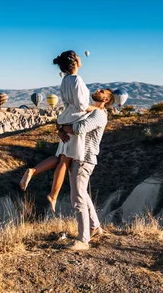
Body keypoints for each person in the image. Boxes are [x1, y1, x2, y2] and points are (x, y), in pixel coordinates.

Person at [19, 50, 99, 212]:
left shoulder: (65, 81)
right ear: (75, 62)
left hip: (66, 118)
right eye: (78, 56)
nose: (80, 58)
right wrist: (98, 109)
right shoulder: (77, 79)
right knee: (64, 161)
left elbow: (69, 103)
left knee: (60, 156)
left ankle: (34, 170)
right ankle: (53, 196)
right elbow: (82, 106)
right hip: (76, 120)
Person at [59, 88, 114, 250]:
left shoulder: (99, 115)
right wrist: (62, 127)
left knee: (77, 198)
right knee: (82, 194)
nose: (98, 89)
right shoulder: (93, 111)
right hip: (78, 157)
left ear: (106, 100)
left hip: (83, 159)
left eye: (102, 91)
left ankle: (83, 239)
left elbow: (79, 129)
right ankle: (95, 227)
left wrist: (64, 128)